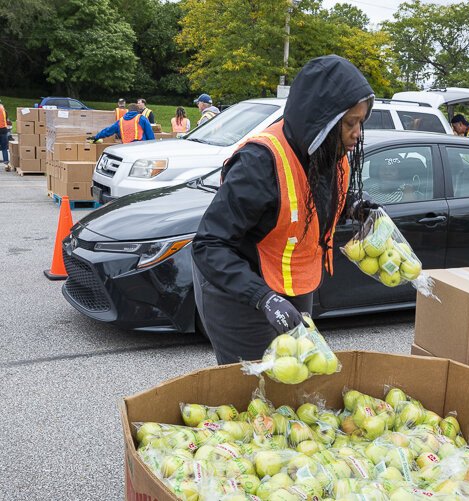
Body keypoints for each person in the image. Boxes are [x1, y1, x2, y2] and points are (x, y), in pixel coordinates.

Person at [191, 55, 375, 365]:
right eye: (350, 123)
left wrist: (353, 206)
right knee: (256, 389)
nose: (357, 133)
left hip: (291, 283)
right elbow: (208, 245)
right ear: (323, 120)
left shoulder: (327, 151)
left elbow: (310, 201)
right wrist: (263, 297)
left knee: (297, 374)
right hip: (239, 291)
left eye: (361, 122)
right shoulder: (258, 163)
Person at [88, 103, 155, 144]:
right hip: (139, 147)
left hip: (125, 148)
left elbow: (108, 131)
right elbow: (150, 134)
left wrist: (96, 137)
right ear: (138, 111)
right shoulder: (141, 118)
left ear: (128, 111)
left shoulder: (121, 121)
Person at [0, 99, 11, 170]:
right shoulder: (3, 109)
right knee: (4, 148)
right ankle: (6, 165)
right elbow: (6, 118)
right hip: (3, 129)